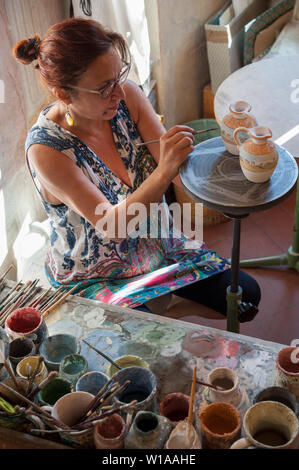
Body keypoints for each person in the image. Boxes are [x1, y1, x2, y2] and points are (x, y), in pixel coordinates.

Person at [12, 18, 260, 319]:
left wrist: (233, 162)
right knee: (145, 345)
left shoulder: (126, 98)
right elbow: (113, 227)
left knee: (245, 297)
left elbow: (181, 175)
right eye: (104, 88)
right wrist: (163, 171)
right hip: (97, 274)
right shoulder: (47, 150)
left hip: (159, 245)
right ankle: (165, 315)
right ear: (64, 95)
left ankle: (175, 309)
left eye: (119, 76)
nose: (118, 92)